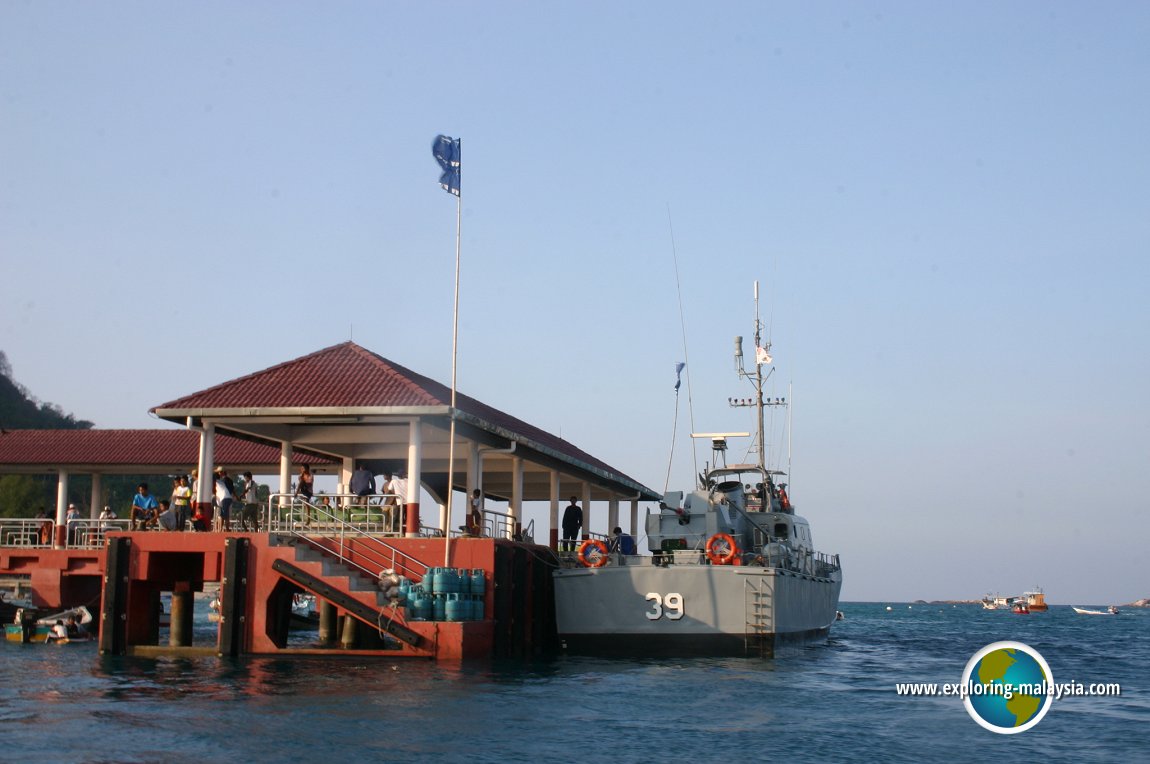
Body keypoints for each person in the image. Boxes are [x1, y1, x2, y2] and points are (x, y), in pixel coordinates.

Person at [214, 467, 235, 531]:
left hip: (224, 498)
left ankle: (220, 529)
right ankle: (226, 528)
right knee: (226, 514)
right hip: (228, 498)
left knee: (222, 514)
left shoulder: (218, 482)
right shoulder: (222, 481)